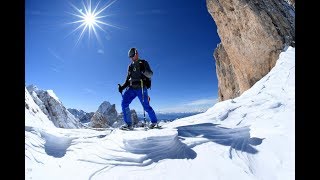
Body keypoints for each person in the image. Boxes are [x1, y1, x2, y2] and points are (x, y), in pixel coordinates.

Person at [118, 47, 158, 130]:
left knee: (146, 106)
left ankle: (154, 122)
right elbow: (127, 80)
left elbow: (150, 74)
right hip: (131, 88)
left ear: (136, 54)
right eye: (130, 56)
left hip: (141, 87)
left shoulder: (143, 63)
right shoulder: (130, 67)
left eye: (132, 55)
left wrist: (144, 71)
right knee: (124, 103)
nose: (131, 58)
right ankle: (129, 124)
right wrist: (122, 87)